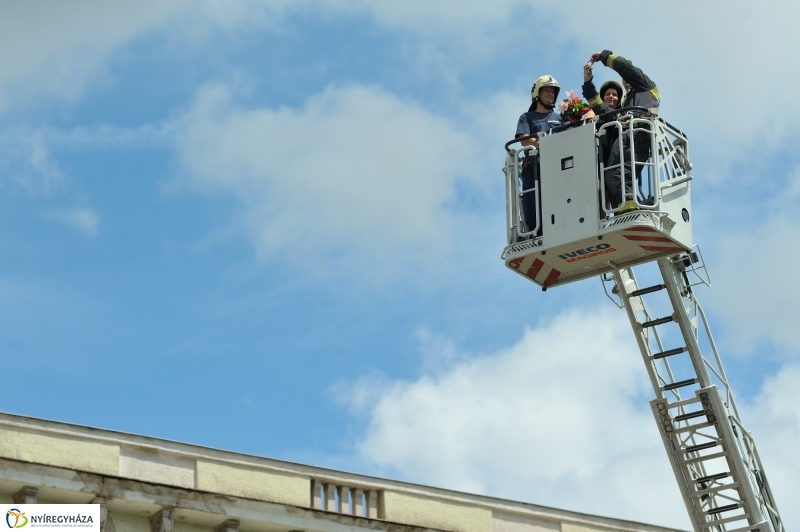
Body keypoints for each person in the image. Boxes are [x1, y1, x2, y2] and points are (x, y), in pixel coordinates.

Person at [587, 50, 660, 213]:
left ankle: (630, 210)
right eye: (624, 81)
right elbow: (604, 111)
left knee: (617, 174)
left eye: (629, 79)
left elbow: (625, 67)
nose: (627, 82)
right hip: (627, 137)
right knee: (613, 176)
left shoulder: (646, 87)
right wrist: (588, 85)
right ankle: (627, 209)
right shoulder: (627, 104)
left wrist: (604, 56)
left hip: (636, 135)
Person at [514, 75, 563, 234]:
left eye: (553, 92)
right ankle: (535, 233)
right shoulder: (527, 117)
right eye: (547, 91)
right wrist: (545, 145)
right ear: (537, 94)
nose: (550, 94)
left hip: (557, 166)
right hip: (534, 168)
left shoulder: (560, 118)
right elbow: (524, 140)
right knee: (532, 201)